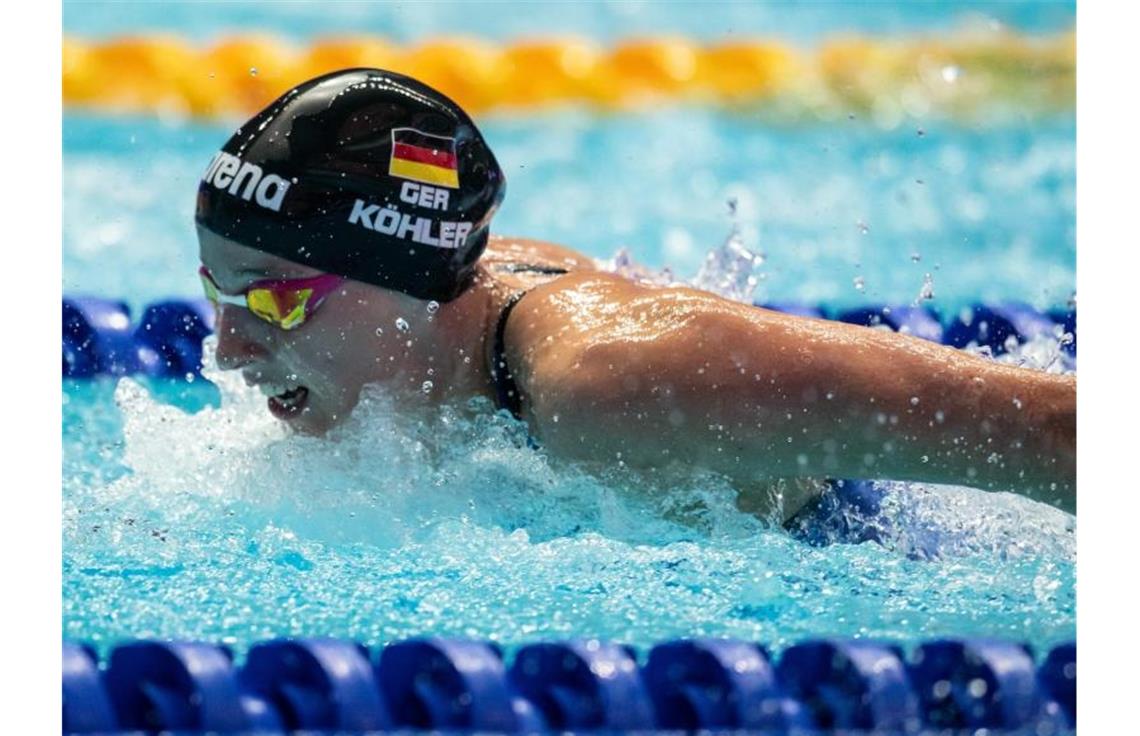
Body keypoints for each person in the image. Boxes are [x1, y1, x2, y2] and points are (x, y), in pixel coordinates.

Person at [196, 69, 1076, 523]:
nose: (227, 349)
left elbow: (1056, 430)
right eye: (215, 293)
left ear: (408, 285)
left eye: (273, 300)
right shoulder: (435, 331)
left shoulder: (610, 382)